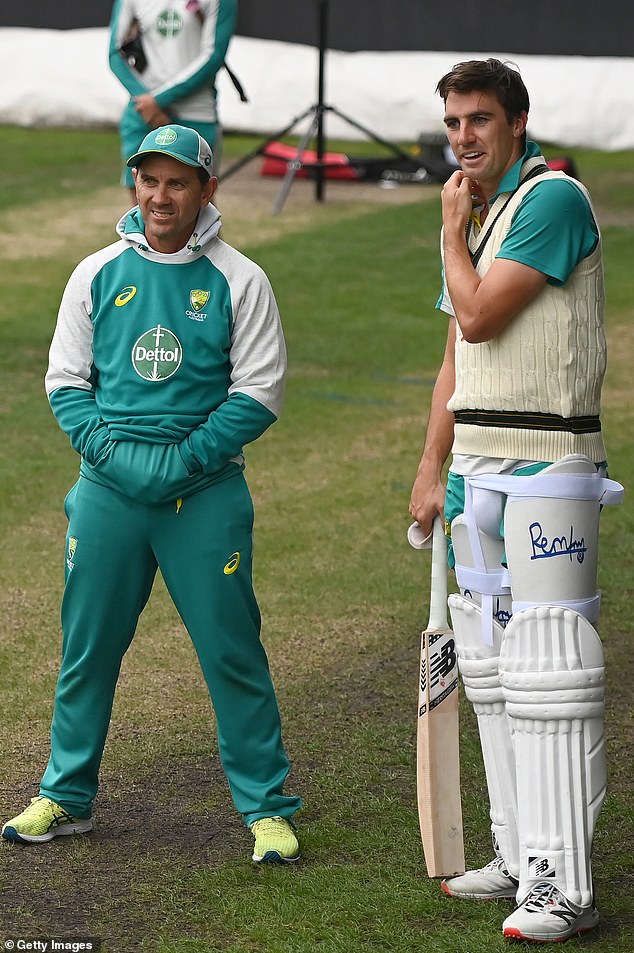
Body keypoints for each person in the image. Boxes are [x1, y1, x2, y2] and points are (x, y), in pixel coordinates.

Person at [2, 124, 302, 865]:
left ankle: (266, 807)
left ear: (208, 190)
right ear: (133, 185)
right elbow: (66, 382)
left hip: (203, 494)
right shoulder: (96, 273)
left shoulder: (240, 278)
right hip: (109, 491)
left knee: (232, 652)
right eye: (149, 180)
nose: (161, 195)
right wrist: (119, 459)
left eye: (177, 182)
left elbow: (259, 391)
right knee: (87, 649)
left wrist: (184, 461)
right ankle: (66, 795)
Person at [409, 59, 622, 942]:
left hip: (547, 462)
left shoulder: (551, 200)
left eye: (480, 120)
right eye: (454, 122)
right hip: (479, 466)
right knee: (493, 671)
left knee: (550, 669)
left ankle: (565, 882)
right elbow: (458, 353)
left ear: (518, 122)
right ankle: (516, 853)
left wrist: (451, 232)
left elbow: (483, 312)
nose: (464, 137)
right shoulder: (486, 211)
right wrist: (432, 468)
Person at [109, 0, 237, 202]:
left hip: (195, 113)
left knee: (200, 213)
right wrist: (145, 100)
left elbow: (214, 55)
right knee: (140, 213)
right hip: (143, 113)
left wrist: (157, 101)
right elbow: (114, 53)